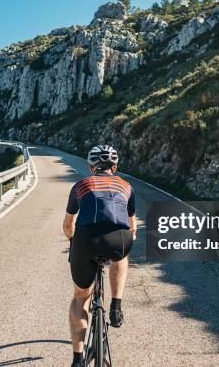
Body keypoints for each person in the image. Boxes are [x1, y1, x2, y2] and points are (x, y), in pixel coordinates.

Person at [63, 145, 137, 367]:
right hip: (118, 239)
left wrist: (73, 243)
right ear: (115, 167)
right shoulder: (126, 187)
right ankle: (116, 305)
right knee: (121, 254)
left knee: (80, 296)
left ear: (90, 167)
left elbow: (68, 225)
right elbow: (133, 228)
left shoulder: (80, 185)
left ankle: (77, 359)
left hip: (86, 240)